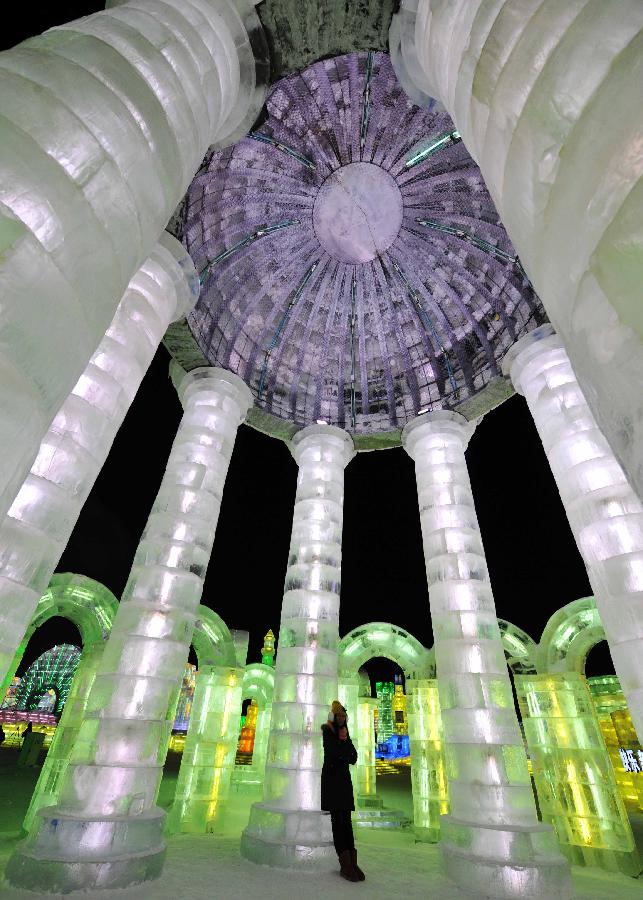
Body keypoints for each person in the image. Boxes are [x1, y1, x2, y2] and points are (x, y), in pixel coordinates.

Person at [321, 700, 365, 882]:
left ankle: (353, 863)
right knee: (337, 821)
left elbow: (353, 757)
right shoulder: (328, 731)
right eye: (338, 715)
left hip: (344, 782)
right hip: (332, 782)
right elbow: (333, 752)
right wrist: (343, 748)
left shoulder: (344, 734)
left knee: (346, 821)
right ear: (334, 716)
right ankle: (345, 864)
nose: (341, 718)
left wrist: (344, 748)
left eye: (343, 716)